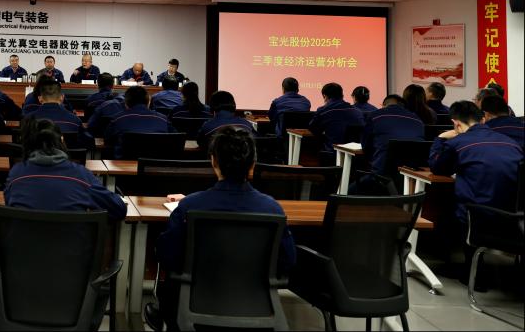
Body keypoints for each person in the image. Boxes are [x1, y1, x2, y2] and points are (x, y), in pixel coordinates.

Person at [148, 128, 296, 332]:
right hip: (256, 307)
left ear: (213, 161)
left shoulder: (190, 206)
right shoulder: (272, 209)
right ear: (252, 164)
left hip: (192, 306)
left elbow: (167, 256)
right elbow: (288, 260)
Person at [5, 117, 124, 220]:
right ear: (62, 140)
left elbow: (9, 203)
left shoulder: (16, 174)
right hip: (75, 240)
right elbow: (118, 209)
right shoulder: (81, 175)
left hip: (24, 240)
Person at [429, 100, 522, 226]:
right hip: (513, 218)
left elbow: (437, 167)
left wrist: (440, 138)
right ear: (483, 120)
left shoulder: (457, 143)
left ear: (456, 124)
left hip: (476, 217)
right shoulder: (510, 142)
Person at [361, 94, 425, 175]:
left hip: (382, 173)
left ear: (384, 105)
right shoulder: (418, 120)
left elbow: (366, 145)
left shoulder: (375, 115)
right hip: (411, 175)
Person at [105, 86, 171, 159]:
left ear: (126, 103)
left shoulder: (117, 119)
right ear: (149, 102)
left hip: (124, 162)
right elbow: (175, 139)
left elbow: (107, 140)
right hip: (156, 163)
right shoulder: (163, 119)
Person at [23, 79, 90, 148]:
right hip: (67, 154)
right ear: (62, 97)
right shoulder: (75, 121)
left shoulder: (29, 120)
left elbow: (24, 143)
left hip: (36, 154)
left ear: (40, 98)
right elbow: (86, 143)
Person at [309, 83, 364, 151]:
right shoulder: (357, 111)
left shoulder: (323, 111)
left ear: (324, 96)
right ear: (342, 95)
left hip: (332, 150)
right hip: (354, 152)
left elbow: (313, 129)